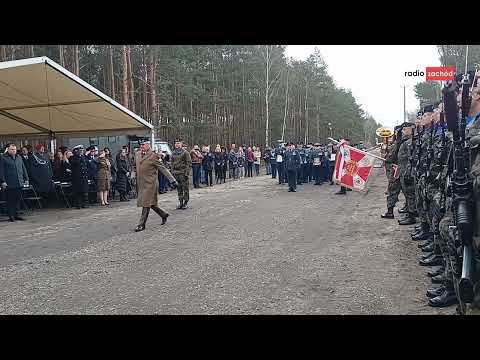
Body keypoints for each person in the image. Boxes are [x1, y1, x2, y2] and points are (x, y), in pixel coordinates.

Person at [134, 140, 177, 232]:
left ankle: (141, 224)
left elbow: (163, 168)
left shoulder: (153, 156)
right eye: (140, 145)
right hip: (141, 183)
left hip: (150, 184)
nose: (141, 146)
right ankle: (163, 214)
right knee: (151, 203)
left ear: (148, 145)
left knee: (145, 203)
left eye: (143, 144)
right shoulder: (137, 154)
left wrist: (172, 180)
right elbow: (136, 167)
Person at [0, 144, 29, 222]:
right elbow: (1, 171)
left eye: (15, 149)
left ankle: (17, 214)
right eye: (12, 149)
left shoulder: (19, 157)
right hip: (9, 182)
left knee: (18, 199)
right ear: (8, 150)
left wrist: (26, 178)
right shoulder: (3, 158)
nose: (14, 151)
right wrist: (3, 181)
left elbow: (23, 168)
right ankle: (11, 215)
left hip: (19, 181)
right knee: (10, 200)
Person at [171, 139, 192, 210]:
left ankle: (185, 202)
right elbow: (172, 163)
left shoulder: (185, 153)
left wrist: (187, 173)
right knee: (179, 188)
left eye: (178, 143)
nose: (177, 144)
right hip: (176, 173)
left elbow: (188, 163)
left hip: (183, 173)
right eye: (176, 143)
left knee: (185, 188)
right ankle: (180, 202)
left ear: (181, 144)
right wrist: (172, 172)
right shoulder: (173, 153)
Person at [70, 145, 89, 209]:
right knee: (78, 192)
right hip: (77, 178)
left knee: (84, 191)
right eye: (80, 150)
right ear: (76, 151)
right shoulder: (73, 157)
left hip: (84, 177)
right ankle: (78, 204)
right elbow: (75, 163)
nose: (81, 152)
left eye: (82, 150)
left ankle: (84, 204)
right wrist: (79, 157)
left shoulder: (83, 157)